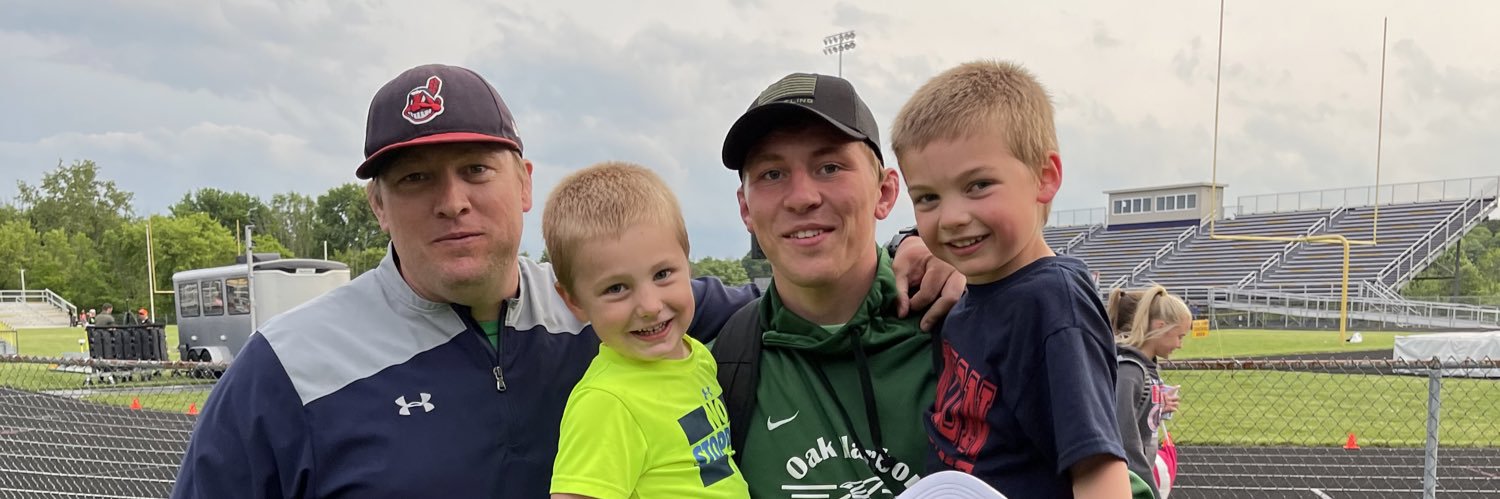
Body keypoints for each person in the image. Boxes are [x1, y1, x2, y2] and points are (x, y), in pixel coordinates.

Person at [171, 63, 955, 499]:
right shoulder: (287, 367)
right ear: (377, 204)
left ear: (523, 183)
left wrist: (925, 248)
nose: (452, 201)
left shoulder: (612, 306)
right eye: (414, 179)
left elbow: (802, 289)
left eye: (476, 169)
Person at [891, 60, 1132, 498]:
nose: (952, 217)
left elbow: (1098, 469)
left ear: (1044, 178)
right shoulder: (972, 298)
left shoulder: (1052, 301)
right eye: (927, 197)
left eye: (978, 185)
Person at [715, 72, 959, 498]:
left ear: (885, 192)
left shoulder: (965, 329)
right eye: (772, 174)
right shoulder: (715, 369)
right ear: (746, 209)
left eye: (829, 168)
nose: (801, 197)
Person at [544, 162, 750, 499]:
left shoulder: (697, 356)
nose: (650, 306)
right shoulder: (606, 403)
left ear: (687, 262)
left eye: (662, 274)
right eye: (616, 288)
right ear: (574, 302)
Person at [1107, 285, 1191, 499]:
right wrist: (1150, 490)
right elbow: (1125, 441)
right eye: (1179, 336)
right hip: (1129, 484)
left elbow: (1136, 418)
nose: (1180, 345)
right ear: (1161, 326)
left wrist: (1157, 408)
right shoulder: (1130, 371)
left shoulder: (1143, 370)